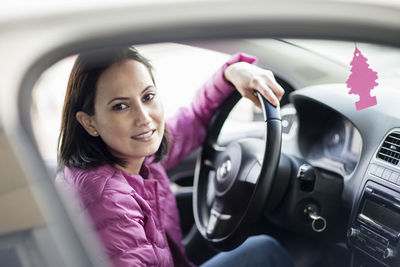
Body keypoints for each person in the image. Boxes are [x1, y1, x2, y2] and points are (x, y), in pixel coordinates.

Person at [56, 46, 294, 267]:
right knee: (267, 251)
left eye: (148, 97)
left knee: (263, 248)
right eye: (120, 106)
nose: (144, 118)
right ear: (89, 123)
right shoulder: (107, 199)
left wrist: (233, 71)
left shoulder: (138, 154)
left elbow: (196, 117)